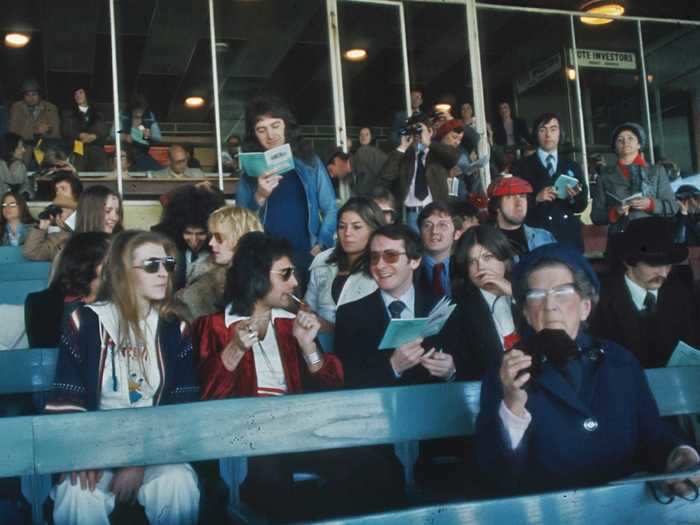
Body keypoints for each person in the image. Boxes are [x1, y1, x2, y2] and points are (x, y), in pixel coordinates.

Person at [475, 242, 700, 494]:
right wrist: (512, 406)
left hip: (625, 511)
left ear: (585, 307)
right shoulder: (507, 372)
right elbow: (494, 473)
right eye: (537, 295)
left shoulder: (619, 361)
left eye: (562, 292)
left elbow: (653, 433)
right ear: (526, 313)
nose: (550, 305)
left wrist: (678, 454)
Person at [45, 230, 200, 525]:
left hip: (156, 447)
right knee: (77, 492)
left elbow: (183, 406)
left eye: (167, 264)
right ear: (121, 273)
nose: (163, 273)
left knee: (177, 483)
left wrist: (140, 461)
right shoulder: (86, 322)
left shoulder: (174, 328)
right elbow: (68, 395)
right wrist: (82, 454)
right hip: (95, 445)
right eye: (151, 265)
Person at [194, 232, 345, 519]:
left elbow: (333, 389)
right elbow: (206, 399)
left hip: (299, 432)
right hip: (244, 440)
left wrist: (308, 345)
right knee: (272, 477)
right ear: (256, 276)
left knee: (363, 462)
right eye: (285, 274)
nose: (295, 282)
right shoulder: (213, 326)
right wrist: (234, 349)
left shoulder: (292, 326)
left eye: (294, 273)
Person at [335, 223, 456, 389]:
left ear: (414, 260)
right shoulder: (350, 315)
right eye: (374, 257)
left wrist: (450, 371)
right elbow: (345, 381)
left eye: (391, 256)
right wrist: (393, 367)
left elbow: (467, 369)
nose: (380, 265)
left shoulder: (440, 306)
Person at [236, 95, 337, 276]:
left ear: (286, 126)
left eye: (275, 125)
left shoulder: (309, 162)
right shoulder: (250, 173)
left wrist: (322, 244)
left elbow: (330, 207)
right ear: (254, 134)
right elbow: (239, 223)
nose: (270, 135)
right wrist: (259, 196)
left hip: (306, 253)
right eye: (261, 129)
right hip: (266, 260)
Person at [590, 217, 699, 368]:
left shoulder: (680, 294)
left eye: (667, 264)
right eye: (654, 263)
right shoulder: (599, 302)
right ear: (629, 261)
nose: (663, 273)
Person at [440, 225, 517, 380]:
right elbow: (464, 369)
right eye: (472, 262)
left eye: (487, 257)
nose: (481, 267)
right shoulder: (457, 311)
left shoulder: (525, 294)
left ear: (505, 260)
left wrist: (516, 295)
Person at [170, 206, 263, 323]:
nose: (211, 243)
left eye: (219, 237)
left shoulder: (267, 281)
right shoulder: (204, 286)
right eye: (211, 236)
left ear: (240, 238)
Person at [304, 197, 384, 331]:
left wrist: (332, 327)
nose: (347, 233)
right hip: (318, 345)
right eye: (342, 227)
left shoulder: (382, 267)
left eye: (356, 227)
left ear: (374, 230)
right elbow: (308, 307)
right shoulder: (323, 260)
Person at [513, 112, 588, 250]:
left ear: (560, 133)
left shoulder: (572, 166)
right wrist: (536, 198)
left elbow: (581, 205)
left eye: (553, 129)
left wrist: (573, 197)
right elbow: (514, 203)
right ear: (536, 134)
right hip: (536, 234)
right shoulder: (521, 166)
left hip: (568, 235)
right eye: (543, 129)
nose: (548, 135)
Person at [25, 232, 110, 348]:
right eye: (110, 259)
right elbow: (45, 352)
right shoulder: (39, 302)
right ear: (88, 263)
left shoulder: (116, 302)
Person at [591, 122, 678, 235]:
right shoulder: (604, 176)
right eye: (620, 140)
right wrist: (615, 211)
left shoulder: (657, 171)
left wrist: (651, 204)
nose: (625, 142)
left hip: (654, 234)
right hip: (621, 238)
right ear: (615, 147)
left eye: (630, 138)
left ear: (639, 144)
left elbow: (673, 207)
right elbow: (596, 216)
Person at [381, 113, 459, 231]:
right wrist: (402, 148)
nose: (417, 136)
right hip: (410, 214)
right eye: (414, 132)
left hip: (435, 212)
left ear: (430, 132)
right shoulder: (403, 155)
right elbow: (387, 175)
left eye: (419, 130)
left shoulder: (437, 153)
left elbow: (453, 158)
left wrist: (429, 143)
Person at [151, 184, 226, 290]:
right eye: (188, 233)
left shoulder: (220, 255)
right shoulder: (171, 253)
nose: (193, 240)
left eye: (200, 234)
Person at [487, 175, 556, 256]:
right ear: (496, 206)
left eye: (522, 196)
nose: (519, 203)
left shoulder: (544, 237)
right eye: (510, 197)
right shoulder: (487, 244)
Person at [8, 79, 61, 166]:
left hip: (45, 144)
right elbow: (13, 132)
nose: (31, 98)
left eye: (34, 94)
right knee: (17, 165)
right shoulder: (16, 107)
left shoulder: (51, 108)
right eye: (27, 95)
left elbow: (56, 133)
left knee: (52, 162)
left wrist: (48, 130)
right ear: (23, 96)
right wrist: (35, 130)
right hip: (23, 145)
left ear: (39, 95)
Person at [417, 202, 459, 298]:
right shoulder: (409, 269)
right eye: (427, 225)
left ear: (456, 234)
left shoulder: (465, 269)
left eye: (442, 225)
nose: (434, 231)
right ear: (420, 232)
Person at [61, 87, 108, 172]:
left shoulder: (98, 112)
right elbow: (66, 130)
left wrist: (95, 136)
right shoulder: (68, 113)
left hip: (96, 153)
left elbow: (104, 130)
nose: (77, 96)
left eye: (80, 93)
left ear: (87, 94)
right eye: (75, 94)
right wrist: (79, 135)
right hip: (77, 152)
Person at [22, 193, 77, 261]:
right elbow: (30, 253)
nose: (59, 216)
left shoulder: (87, 230)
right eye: (57, 212)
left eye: (62, 211)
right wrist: (41, 229)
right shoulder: (55, 239)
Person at [117, 94, 163, 172]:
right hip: (126, 152)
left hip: (143, 152)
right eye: (136, 110)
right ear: (130, 109)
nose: (139, 112)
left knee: (160, 170)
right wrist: (124, 137)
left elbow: (158, 138)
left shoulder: (148, 117)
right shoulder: (122, 116)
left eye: (141, 109)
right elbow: (112, 135)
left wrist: (149, 135)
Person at [351, 127, 387, 196]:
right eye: (361, 135)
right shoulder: (357, 153)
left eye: (367, 134)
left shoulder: (378, 153)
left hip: (373, 192)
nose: (363, 137)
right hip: (362, 192)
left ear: (371, 137)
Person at [0, 132, 34, 198]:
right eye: (20, 147)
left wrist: (26, 192)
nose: (24, 150)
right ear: (10, 150)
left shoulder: (20, 167)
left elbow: (26, 185)